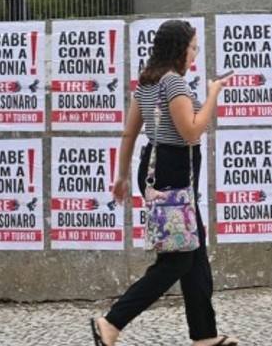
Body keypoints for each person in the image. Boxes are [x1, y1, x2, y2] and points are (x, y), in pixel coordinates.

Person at [91, 20, 240, 346]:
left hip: (159, 168)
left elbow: (130, 133)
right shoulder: (173, 84)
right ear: (180, 49)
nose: (194, 54)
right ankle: (112, 322)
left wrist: (123, 174)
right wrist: (213, 95)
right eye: (193, 48)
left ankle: (204, 335)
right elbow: (191, 131)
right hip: (174, 171)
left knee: (194, 249)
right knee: (178, 259)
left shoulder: (147, 81)